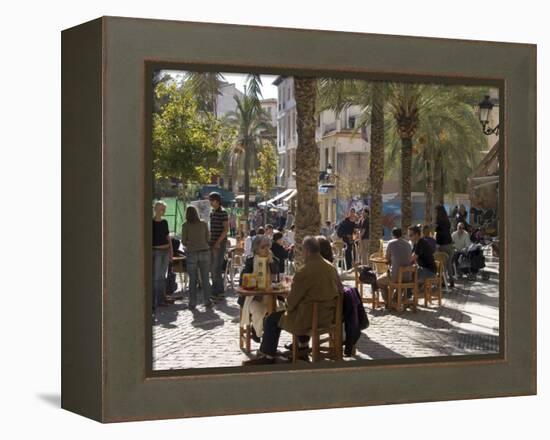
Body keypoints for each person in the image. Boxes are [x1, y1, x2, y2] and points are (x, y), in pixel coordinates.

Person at [243, 236, 341, 365]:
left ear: (306, 251)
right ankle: (302, 349)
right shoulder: (331, 268)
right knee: (298, 311)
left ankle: (268, 356)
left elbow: (291, 303)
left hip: (307, 318)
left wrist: (286, 299)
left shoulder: (304, 272)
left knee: (271, 319)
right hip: (328, 316)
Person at [238, 235, 279, 341]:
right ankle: (259, 333)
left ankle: (263, 335)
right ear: (256, 249)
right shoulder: (251, 261)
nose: (266, 249)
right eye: (263, 247)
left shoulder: (272, 259)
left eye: (268, 247)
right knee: (258, 310)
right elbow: (243, 281)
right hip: (253, 297)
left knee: (280, 310)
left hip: (270, 296)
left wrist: (271, 262)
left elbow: (277, 274)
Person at [181, 205, 212, 310]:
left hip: (191, 253)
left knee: (192, 280)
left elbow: (183, 241)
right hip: (204, 251)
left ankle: (192, 303)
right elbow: (208, 238)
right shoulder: (203, 224)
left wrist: (191, 243)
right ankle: (207, 301)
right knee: (205, 279)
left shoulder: (185, 225)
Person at [376, 228, 412, 304]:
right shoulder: (408, 244)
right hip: (408, 276)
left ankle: (388, 301)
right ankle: (395, 300)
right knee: (400, 282)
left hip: (395, 276)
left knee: (379, 281)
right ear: (401, 234)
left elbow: (387, 258)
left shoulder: (391, 243)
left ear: (392, 235)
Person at [152, 201, 173, 310]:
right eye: (161, 209)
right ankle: (154, 300)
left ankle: (161, 299)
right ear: (155, 209)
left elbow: (168, 238)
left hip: (165, 252)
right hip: (157, 252)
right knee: (156, 277)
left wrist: (171, 252)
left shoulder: (164, 222)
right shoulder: (151, 222)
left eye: (164, 209)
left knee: (162, 277)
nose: (163, 211)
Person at [208, 192, 229, 301]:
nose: (210, 203)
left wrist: (218, 242)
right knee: (213, 268)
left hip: (219, 244)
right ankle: (219, 291)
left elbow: (226, 229)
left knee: (216, 268)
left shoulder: (223, 212)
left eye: (211, 200)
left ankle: (216, 292)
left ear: (217, 201)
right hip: (212, 244)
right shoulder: (212, 213)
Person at [434, 204, 455, 288]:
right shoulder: (447, 220)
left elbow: (439, 234)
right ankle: (451, 281)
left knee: (442, 265)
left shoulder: (438, 222)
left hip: (443, 245)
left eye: (436, 211)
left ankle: (444, 282)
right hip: (449, 244)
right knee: (448, 264)